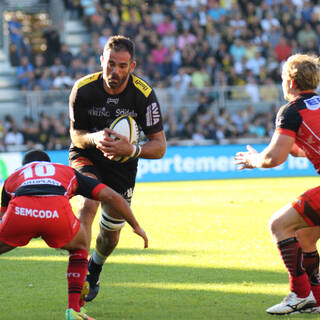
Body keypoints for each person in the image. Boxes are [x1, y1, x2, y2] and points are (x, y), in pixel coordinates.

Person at [68, 35, 166, 302]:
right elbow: (76, 136)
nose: (115, 71)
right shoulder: (84, 89)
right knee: (88, 204)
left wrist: (132, 150)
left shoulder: (144, 95)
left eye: (122, 66)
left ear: (132, 66)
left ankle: (94, 268)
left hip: (123, 164)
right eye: (110, 63)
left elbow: (159, 146)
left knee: (110, 237)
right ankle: (76, 280)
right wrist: (94, 137)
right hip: (88, 154)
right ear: (102, 60)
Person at [0, 149, 148, 320]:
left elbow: (3, 216)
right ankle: (74, 310)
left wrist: (29, 226)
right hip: (55, 215)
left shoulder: (14, 176)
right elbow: (111, 196)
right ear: (49, 163)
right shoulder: (66, 172)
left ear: (23, 166)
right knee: (80, 246)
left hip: (20, 213)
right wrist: (136, 225)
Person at [234, 53, 320, 315]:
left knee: (279, 225)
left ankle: (300, 294)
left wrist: (253, 159)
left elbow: (273, 158)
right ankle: (315, 299)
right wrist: (300, 148)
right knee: (304, 236)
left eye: (283, 78)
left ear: (291, 81)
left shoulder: (292, 111)